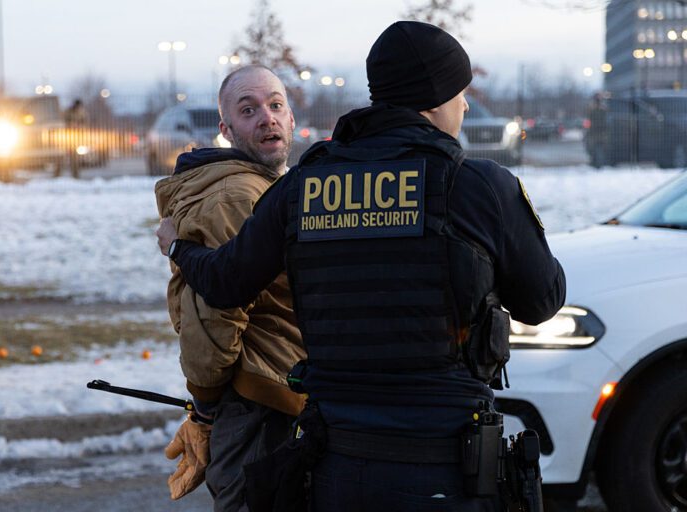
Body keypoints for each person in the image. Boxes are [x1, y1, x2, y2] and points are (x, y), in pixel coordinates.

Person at [158, 22, 566, 512]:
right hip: (446, 468)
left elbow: (223, 283)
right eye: (460, 95)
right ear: (435, 99)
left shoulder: (304, 187)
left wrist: (180, 250)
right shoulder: (478, 186)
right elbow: (543, 301)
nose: (462, 107)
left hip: (338, 468)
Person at [155, 65, 305, 511]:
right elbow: (214, 315)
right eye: (248, 110)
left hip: (276, 398)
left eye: (276, 105)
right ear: (225, 129)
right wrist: (202, 410)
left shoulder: (267, 186)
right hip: (259, 403)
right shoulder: (237, 196)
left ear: (292, 118)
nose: (267, 117)